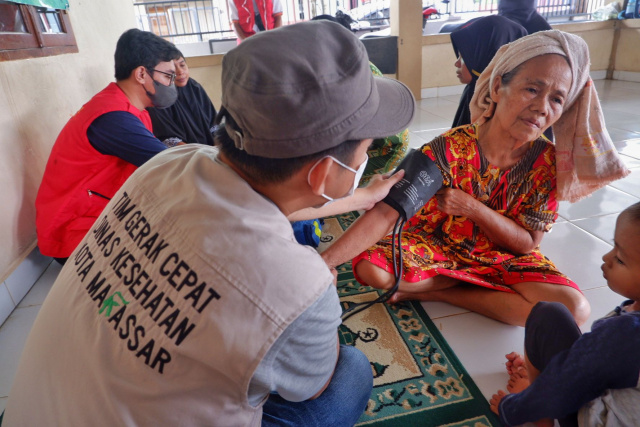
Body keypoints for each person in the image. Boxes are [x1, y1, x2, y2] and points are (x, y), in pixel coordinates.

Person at [3, 20, 415, 425]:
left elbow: (267, 201)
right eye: (366, 147)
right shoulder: (302, 287)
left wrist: (361, 195)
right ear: (325, 173)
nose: (366, 159)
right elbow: (310, 389)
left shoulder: (168, 162)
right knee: (351, 372)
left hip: (34, 408)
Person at [321, 30, 630, 327]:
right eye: (532, 89)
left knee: (574, 310)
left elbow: (526, 245)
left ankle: (446, 293)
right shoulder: (448, 147)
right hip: (436, 245)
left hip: (502, 257)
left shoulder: (547, 163)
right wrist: (325, 263)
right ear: (497, 88)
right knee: (372, 269)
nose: (541, 108)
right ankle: (464, 287)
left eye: (557, 100)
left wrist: (473, 209)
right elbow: (389, 211)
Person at [35, 29, 181, 265]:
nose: (172, 84)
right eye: (168, 76)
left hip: (94, 215)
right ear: (142, 74)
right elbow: (172, 165)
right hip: (75, 235)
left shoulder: (127, 107)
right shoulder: (114, 117)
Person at [490, 201, 640, 426]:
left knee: (547, 315)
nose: (606, 258)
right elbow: (601, 363)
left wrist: (511, 407)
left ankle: (541, 419)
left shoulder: (626, 335)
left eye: (620, 259)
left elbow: (562, 387)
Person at [450, 15, 527, 128]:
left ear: (485, 58)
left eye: (463, 58)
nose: (456, 63)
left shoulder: (499, 105)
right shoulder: (474, 90)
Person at [148, 54, 218, 146]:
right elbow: (167, 139)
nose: (180, 72)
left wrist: (220, 150)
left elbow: (214, 124)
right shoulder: (158, 95)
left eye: (182, 65)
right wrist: (200, 156)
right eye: (173, 68)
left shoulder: (194, 86)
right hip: (182, 156)